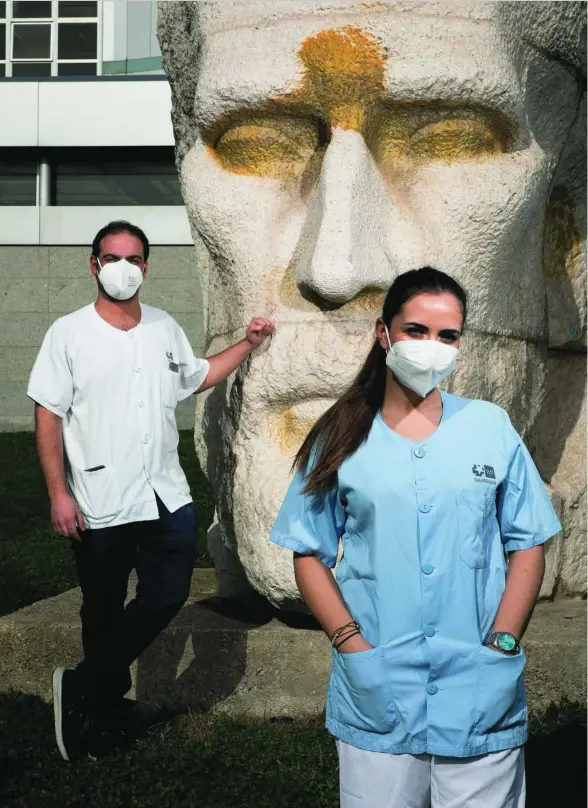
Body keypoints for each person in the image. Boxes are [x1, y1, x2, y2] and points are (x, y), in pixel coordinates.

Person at [270, 267, 561, 808]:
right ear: (384, 334)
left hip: (478, 682)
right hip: (379, 685)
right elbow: (307, 551)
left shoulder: (489, 427)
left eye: (447, 335)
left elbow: (528, 541)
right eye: (416, 330)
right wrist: (351, 644)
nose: (432, 347)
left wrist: (502, 643)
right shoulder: (340, 435)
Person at [27, 220, 274, 762]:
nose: (123, 268)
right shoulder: (68, 333)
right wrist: (58, 494)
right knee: (103, 605)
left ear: (146, 267)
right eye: (112, 257)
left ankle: (84, 684)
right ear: (94, 265)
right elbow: (47, 415)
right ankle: (106, 711)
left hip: (166, 495)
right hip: (99, 496)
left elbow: (198, 375)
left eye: (134, 258)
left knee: (165, 594)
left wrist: (249, 346)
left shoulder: (163, 327)